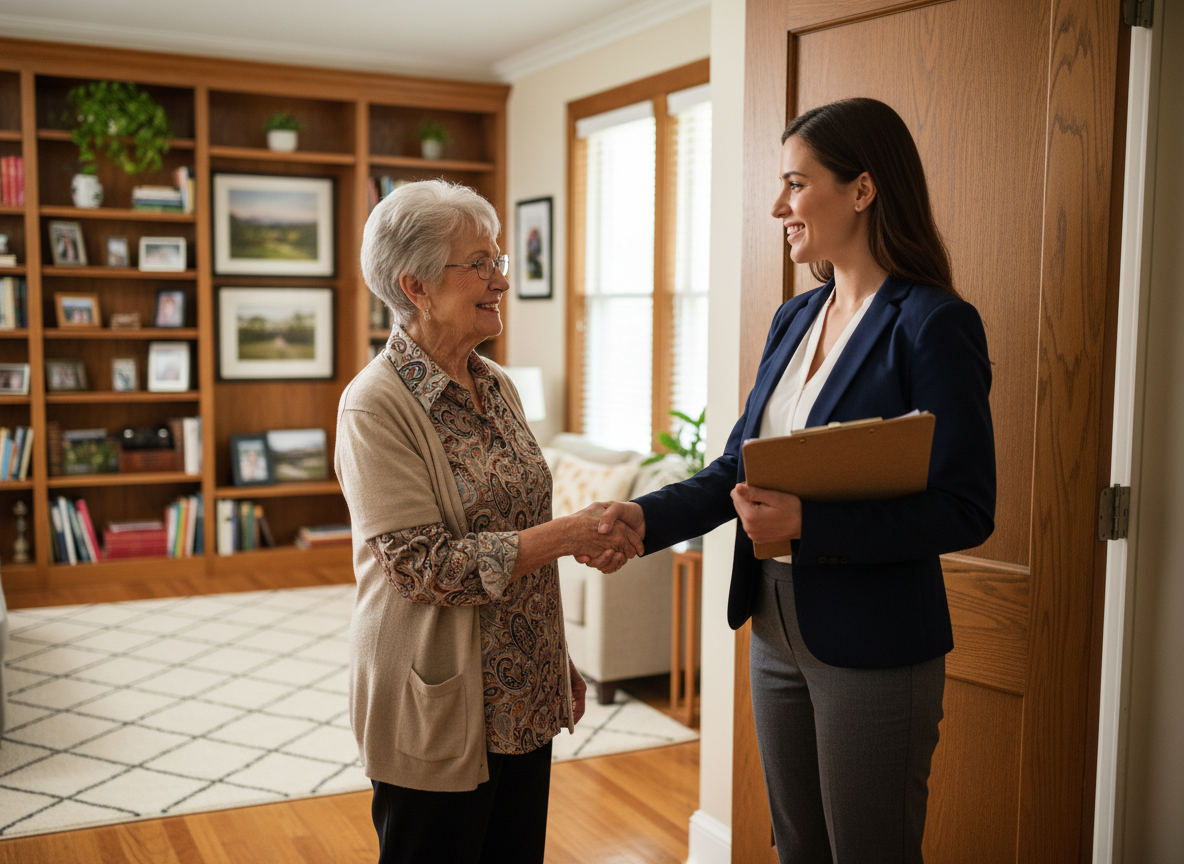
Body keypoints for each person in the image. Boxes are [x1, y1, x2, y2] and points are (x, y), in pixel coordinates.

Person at [592, 98, 996, 863]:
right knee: (797, 847)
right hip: (773, 623)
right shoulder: (794, 318)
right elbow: (741, 469)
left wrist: (810, 525)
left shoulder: (932, 324)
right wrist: (641, 520)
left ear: (862, 190)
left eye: (795, 183)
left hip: (877, 635)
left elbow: (966, 509)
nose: (779, 205)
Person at [335, 179, 642, 864]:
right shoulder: (374, 407)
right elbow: (425, 567)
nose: (500, 279)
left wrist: (553, 654)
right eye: (480, 264)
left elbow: (517, 521)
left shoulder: (496, 385)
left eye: (498, 260)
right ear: (415, 286)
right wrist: (568, 534)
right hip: (437, 700)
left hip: (523, 694)